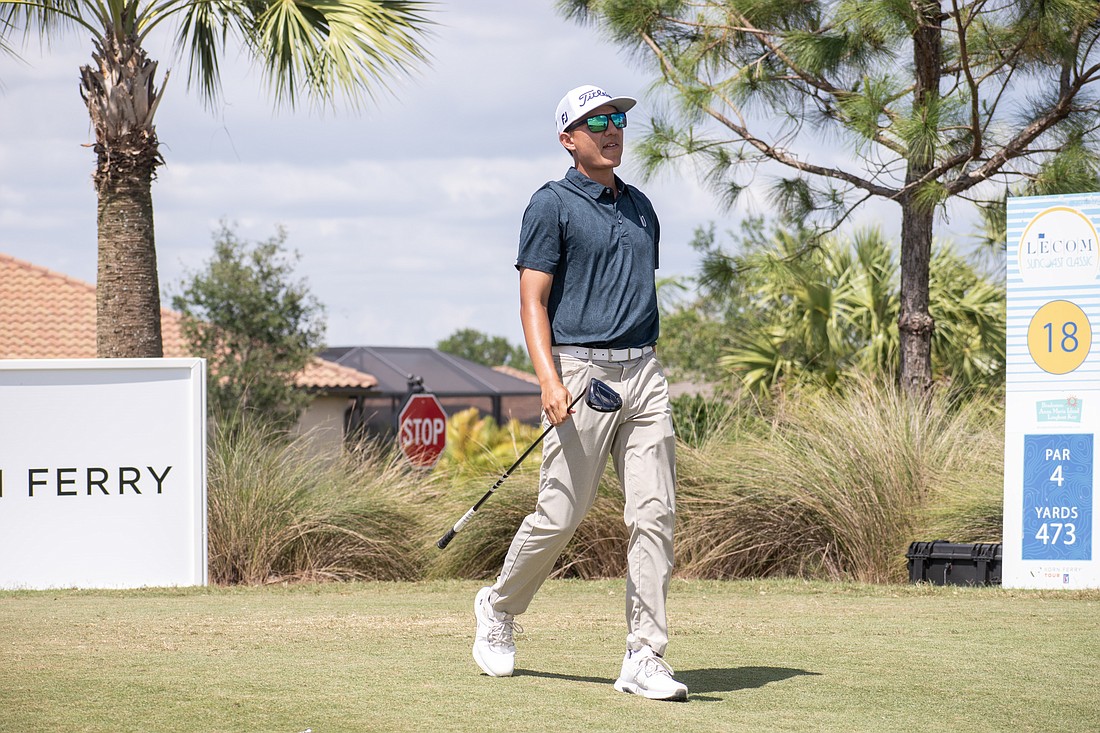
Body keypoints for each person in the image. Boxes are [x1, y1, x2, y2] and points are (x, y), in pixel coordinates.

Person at [472, 84, 687, 702]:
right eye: (597, 123)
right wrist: (549, 379)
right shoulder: (551, 205)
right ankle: (500, 606)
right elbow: (532, 300)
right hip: (581, 373)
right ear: (570, 139)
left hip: (644, 373)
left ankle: (644, 656)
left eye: (618, 119)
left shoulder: (643, 206)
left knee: (654, 514)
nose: (612, 130)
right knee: (560, 515)